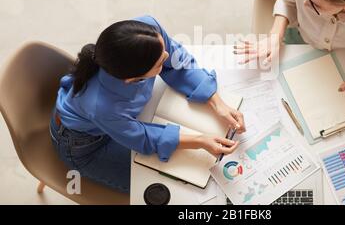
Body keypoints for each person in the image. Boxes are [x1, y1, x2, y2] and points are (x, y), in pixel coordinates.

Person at [50, 15, 245, 193]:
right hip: (85, 144)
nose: (166, 56)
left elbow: (177, 62)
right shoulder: (100, 105)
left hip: (118, 121)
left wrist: (216, 102)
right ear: (133, 79)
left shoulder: (148, 32)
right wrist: (201, 140)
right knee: (164, 187)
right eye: (159, 63)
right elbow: (143, 138)